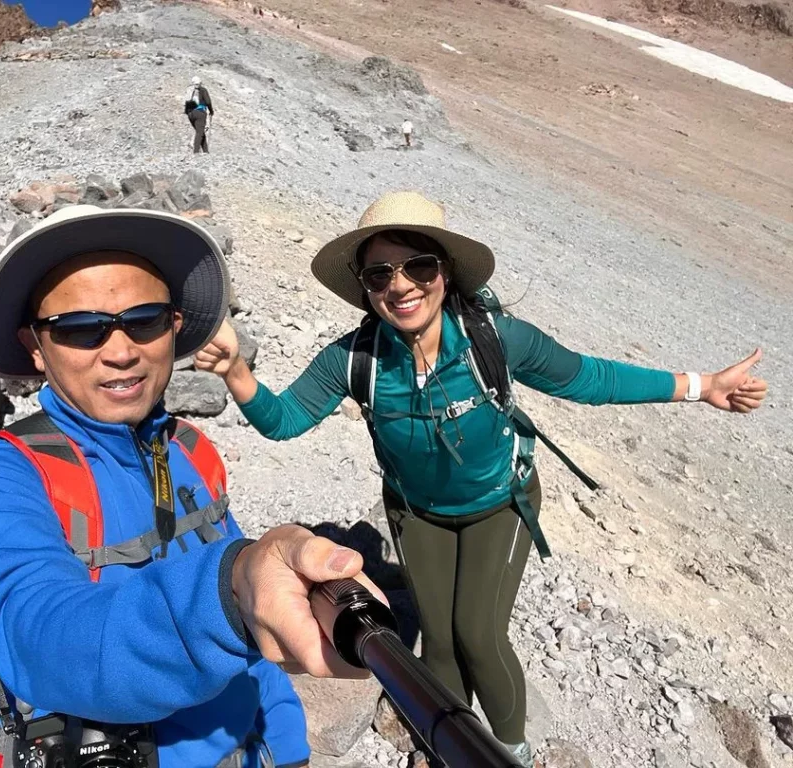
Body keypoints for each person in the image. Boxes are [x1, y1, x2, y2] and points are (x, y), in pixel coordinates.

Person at [194, 191, 769, 766]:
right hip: (417, 512)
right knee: (439, 643)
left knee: (479, 636)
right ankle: (452, 746)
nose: (401, 286)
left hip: (501, 502)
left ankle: (507, 750)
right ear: (366, 287)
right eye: (379, 273)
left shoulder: (493, 338)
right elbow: (284, 421)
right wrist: (236, 370)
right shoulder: (355, 359)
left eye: (418, 266)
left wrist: (702, 386)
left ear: (444, 272)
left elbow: (590, 379)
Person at [0, 205, 381, 768]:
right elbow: (43, 641)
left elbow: (256, 636)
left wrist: (283, 745)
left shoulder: (191, 449)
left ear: (174, 326)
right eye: (79, 329)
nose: (121, 351)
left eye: (144, 319)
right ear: (34, 346)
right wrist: (233, 590)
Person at [185, 76, 215, 154]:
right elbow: (208, 102)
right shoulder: (203, 90)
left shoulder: (191, 90)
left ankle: (206, 151)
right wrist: (211, 111)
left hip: (190, 113)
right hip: (200, 112)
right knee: (199, 132)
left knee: (200, 131)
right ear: (200, 82)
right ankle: (196, 152)